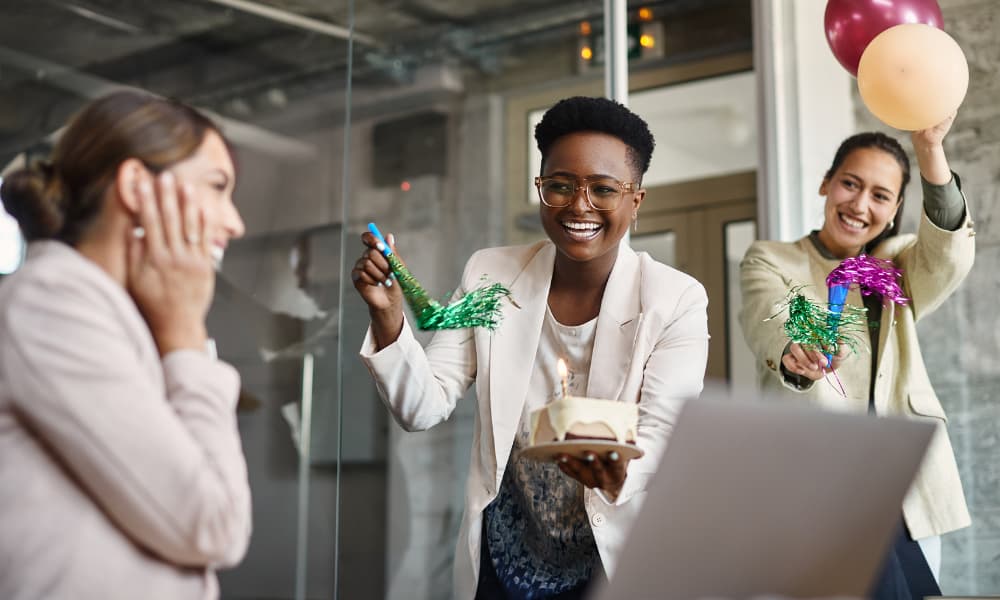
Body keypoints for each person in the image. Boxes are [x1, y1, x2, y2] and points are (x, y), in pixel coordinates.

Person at [353, 96, 709, 599]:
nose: (579, 205)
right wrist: (388, 313)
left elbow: (663, 434)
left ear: (636, 200)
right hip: (503, 566)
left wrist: (613, 467)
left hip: (610, 563)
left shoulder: (674, 299)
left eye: (603, 189)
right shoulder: (490, 274)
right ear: (541, 189)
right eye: (560, 185)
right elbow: (422, 405)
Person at [0, 91, 251, 599]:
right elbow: (213, 524)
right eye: (217, 187)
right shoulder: (52, 301)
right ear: (137, 185)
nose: (235, 222)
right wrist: (184, 331)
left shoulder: (114, 316)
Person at [739, 115, 973, 598]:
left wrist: (929, 147)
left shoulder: (898, 268)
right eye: (850, 183)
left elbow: (949, 252)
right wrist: (800, 349)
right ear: (826, 183)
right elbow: (777, 314)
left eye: (880, 195)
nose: (860, 204)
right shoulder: (773, 258)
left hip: (905, 491)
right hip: (819, 492)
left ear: (895, 209)